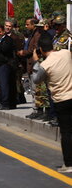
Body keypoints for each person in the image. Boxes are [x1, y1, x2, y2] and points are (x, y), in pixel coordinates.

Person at [31, 34, 72, 173]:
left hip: (61, 100)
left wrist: (36, 62)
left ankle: (69, 164)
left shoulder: (45, 65)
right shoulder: (66, 54)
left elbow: (36, 80)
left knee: (66, 133)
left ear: (41, 49)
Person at [0, 23, 17, 110]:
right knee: (0, 85)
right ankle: (3, 101)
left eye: (0, 32)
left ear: (3, 32)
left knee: (5, 85)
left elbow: (5, 49)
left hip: (5, 64)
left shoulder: (7, 40)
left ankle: (6, 103)